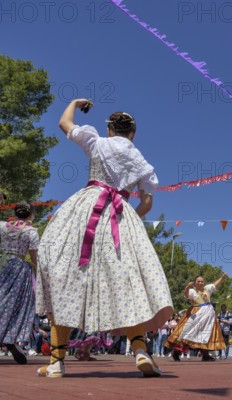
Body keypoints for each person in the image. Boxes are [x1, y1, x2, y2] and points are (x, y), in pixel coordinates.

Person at [36, 99, 174, 378]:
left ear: (110, 129)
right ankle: (140, 351)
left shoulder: (97, 142)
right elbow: (147, 202)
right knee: (128, 282)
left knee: (66, 277)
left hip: (85, 211)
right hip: (119, 215)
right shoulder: (141, 161)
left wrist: (74, 103)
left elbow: (64, 124)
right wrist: (129, 217)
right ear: (132, 134)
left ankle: (56, 362)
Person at [0, 194, 38, 365]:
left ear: (16, 213)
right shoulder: (31, 232)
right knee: (13, 307)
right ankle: (10, 339)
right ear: (31, 215)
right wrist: (39, 274)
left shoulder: (4, 227)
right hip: (18, 269)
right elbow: (34, 258)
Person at [164, 274, 228, 361]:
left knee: (206, 334)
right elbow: (186, 295)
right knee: (186, 332)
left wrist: (222, 278)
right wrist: (187, 287)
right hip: (196, 314)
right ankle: (176, 352)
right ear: (195, 283)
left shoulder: (207, 289)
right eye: (198, 281)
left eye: (202, 281)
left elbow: (214, 285)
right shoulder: (192, 291)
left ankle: (205, 355)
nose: (201, 283)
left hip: (208, 316)